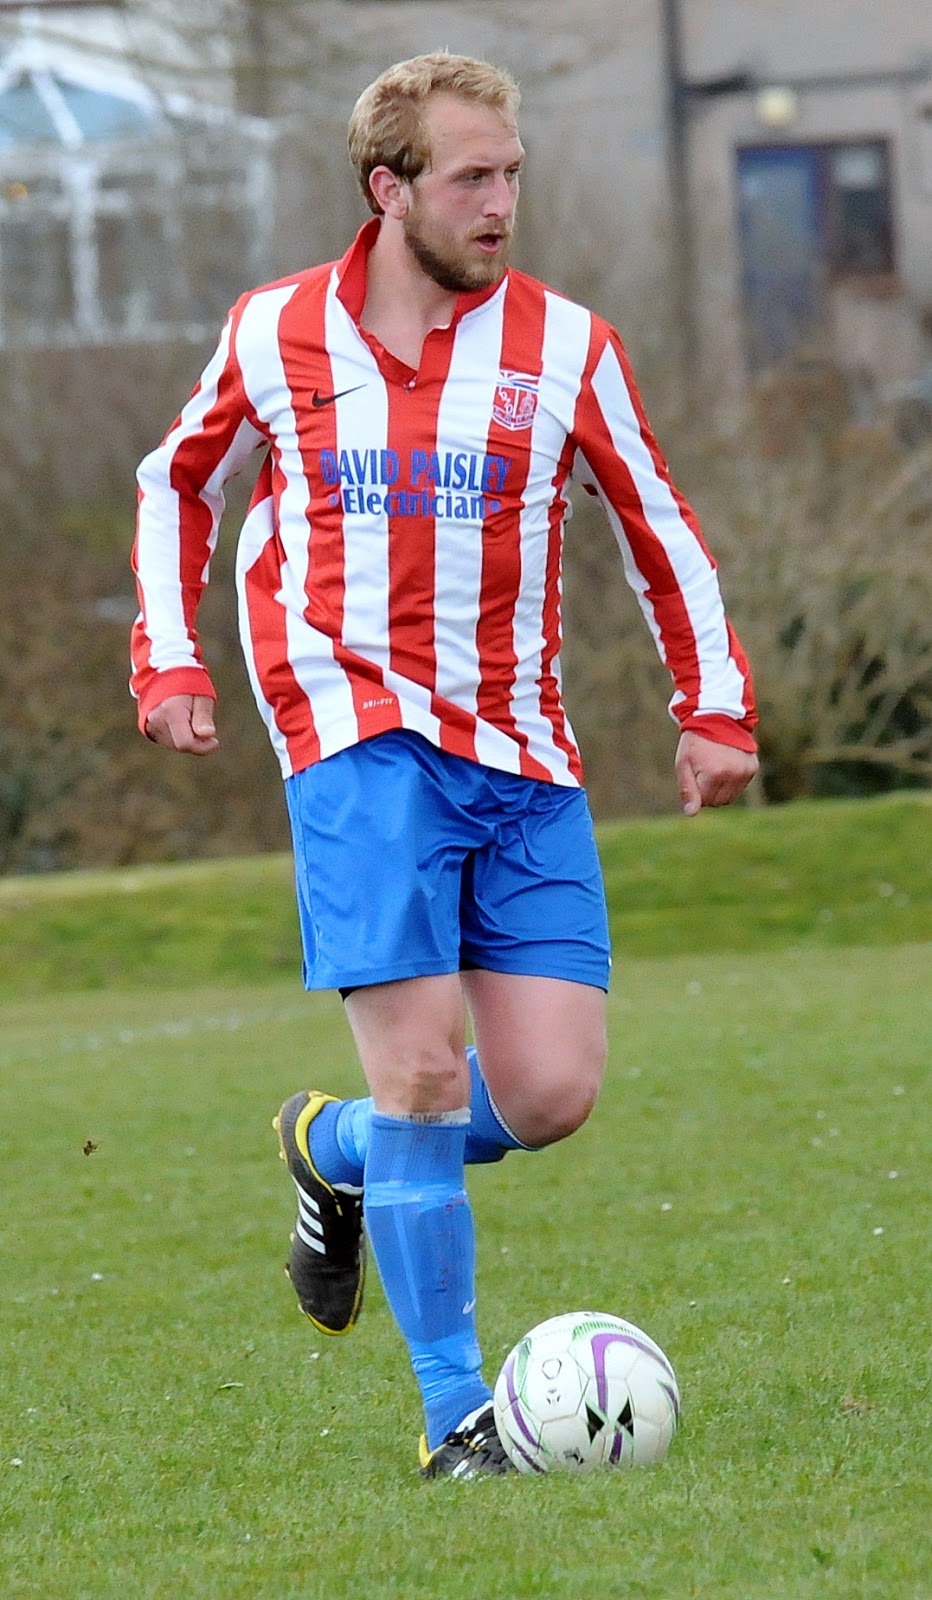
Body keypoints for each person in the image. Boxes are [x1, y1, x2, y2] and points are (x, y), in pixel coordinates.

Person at [131, 50, 758, 1480]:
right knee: (423, 1067)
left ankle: (334, 1149)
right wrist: (169, 658)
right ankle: (454, 1419)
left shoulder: (569, 346)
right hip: (353, 737)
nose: (501, 203)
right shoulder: (276, 329)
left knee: (547, 1096)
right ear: (388, 188)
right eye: (473, 177)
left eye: (512, 175)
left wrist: (713, 705)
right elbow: (178, 483)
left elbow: (658, 526)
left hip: (520, 751)